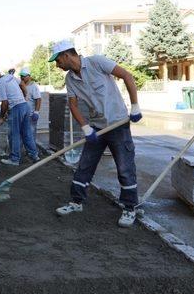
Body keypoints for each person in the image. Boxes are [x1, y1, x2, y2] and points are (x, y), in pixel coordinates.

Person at [49, 40, 142, 228]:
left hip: (118, 124)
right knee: (85, 166)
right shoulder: (70, 79)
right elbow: (73, 105)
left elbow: (127, 76)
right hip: (97, 128)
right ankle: (76, 202)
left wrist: (134, 106)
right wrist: (85, 127)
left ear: (66, 55)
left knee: (125, 168)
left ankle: (130, 208)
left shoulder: (97, 62)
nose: (57, 66)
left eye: (58, 61)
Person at [0, 66, 39, 166]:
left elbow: (4, 102)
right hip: (24, 106)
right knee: (26, 133)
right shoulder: (9, 77)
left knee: (14, 134)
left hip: (16, 108)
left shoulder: (0, 82)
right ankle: (34, 155)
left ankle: (14, 159)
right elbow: (22, 84)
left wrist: (1, 117)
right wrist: (24, 96)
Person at [19, 67, 42, 137]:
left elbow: (38, 99)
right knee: (23, 136)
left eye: (24, 76)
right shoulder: (20, 86)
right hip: (22, 115)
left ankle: (32, 148)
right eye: (21, 76)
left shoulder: (33, 86)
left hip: (30, 116)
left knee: (30, 136)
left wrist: (36, 112)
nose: (22, 78)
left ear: (29, 76)